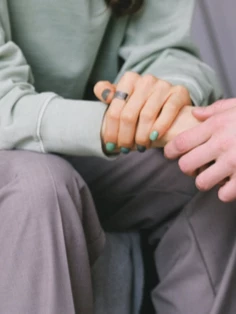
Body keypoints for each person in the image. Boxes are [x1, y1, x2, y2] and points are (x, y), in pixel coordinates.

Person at [0, 0, 236, 313]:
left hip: (90, 146)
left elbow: (166, 49)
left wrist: (163, 100)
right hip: (14, 145)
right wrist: (119, 124)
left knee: (206, 164)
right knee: (40, 188)